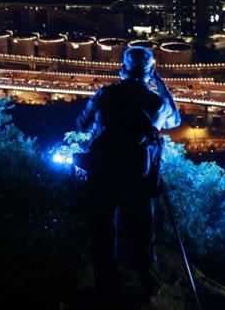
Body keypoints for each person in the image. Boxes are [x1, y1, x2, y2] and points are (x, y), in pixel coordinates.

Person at [75, 46, 181, 304]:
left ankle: (107, 291)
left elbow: (81, 124)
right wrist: (162, 87)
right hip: (138, 179)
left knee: (102, 236)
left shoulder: (105, 95)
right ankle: (150, 289)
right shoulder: (157, 102)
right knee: (142, 238)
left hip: (102, 175)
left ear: (122, 69)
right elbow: (175, 120)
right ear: (151, 72)